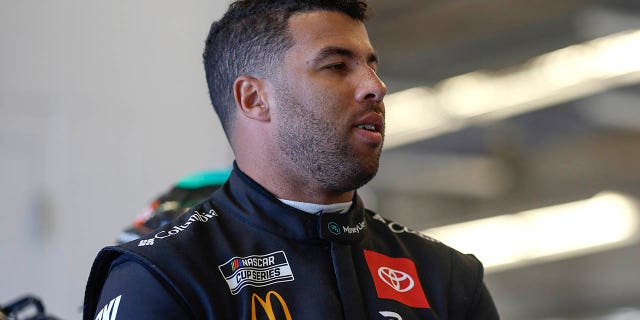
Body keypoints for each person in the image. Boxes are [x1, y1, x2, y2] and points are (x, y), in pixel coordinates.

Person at [83, 0, 500, 319]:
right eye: (337, 65)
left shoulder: (445, 276)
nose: (376, 86)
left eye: (372, 66)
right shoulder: (164, 275)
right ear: (254, 98)